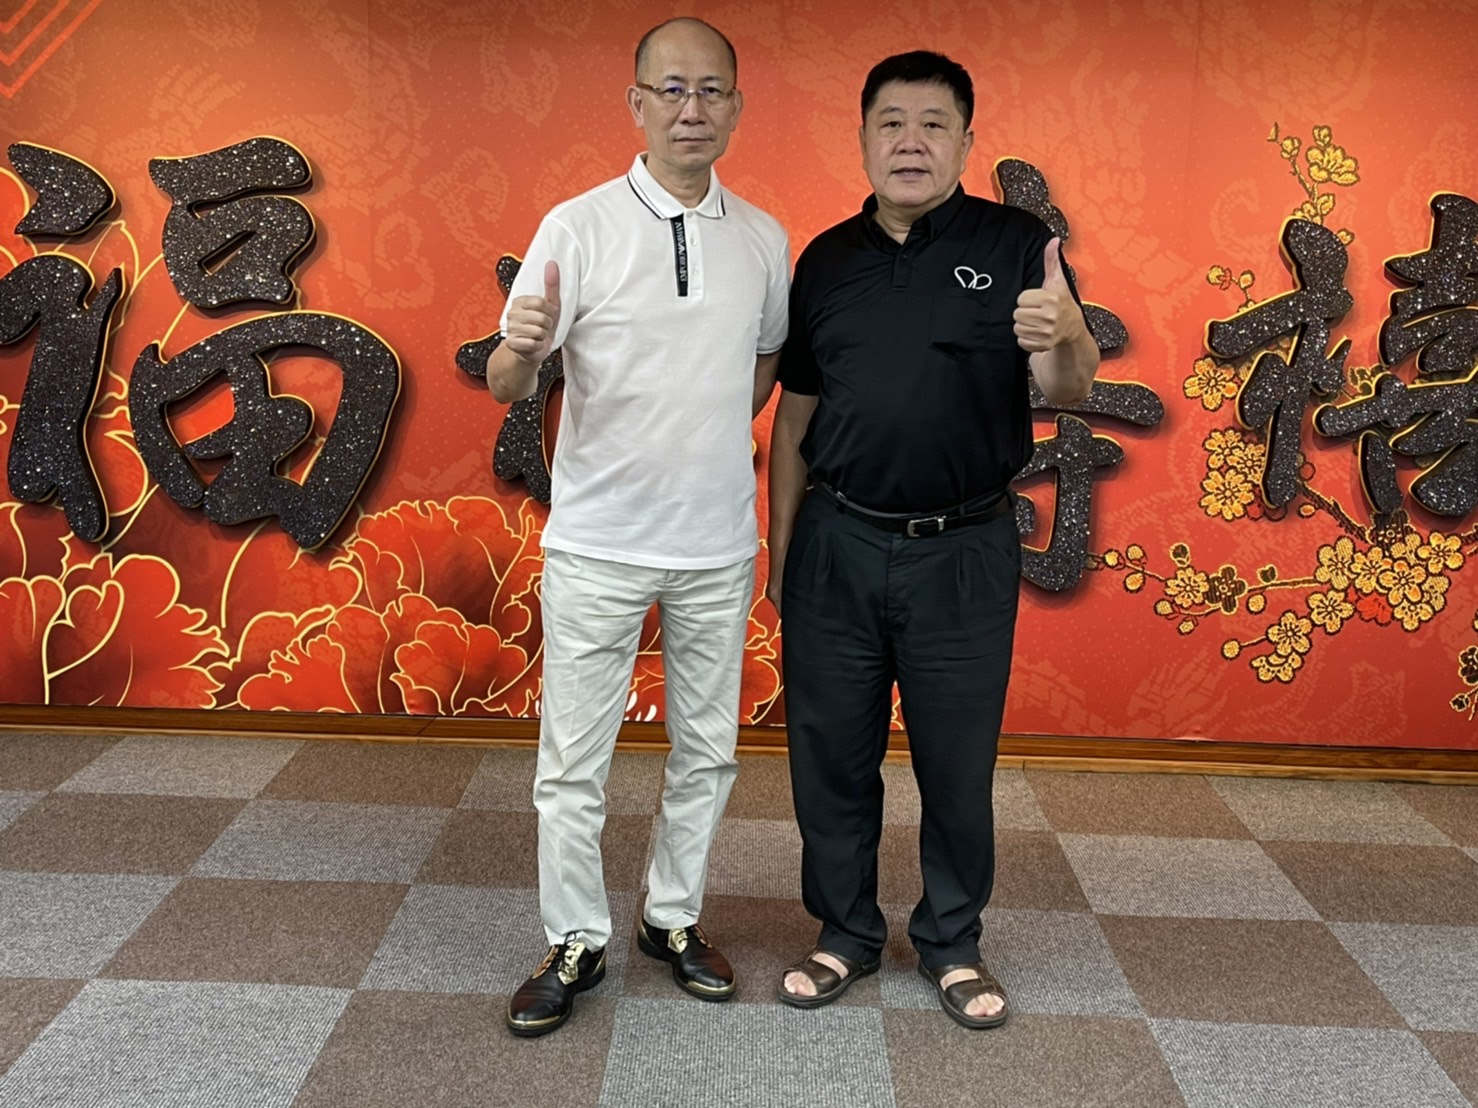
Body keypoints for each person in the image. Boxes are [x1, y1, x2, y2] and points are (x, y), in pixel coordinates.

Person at [766, 50, 1097, 1030]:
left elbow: (1068, 386)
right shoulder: (825, 260)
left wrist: (1065, 331)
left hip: (962, 549)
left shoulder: (1017, 244)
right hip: (836, 539)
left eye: (932, 124)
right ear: (864, 138)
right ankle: (844, 932)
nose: (910, 142)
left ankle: (951, 941)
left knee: (956, 761)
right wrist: (781, 553)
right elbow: (793, 417)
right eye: (891, 123)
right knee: (829, 755)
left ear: (964, 140)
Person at [485, 17, 789, 1037]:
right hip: (598, 541)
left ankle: (670, 917)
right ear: (636, 104)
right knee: (574, 761)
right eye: (670, 90)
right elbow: (509, 377)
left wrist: (698, 434)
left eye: (710, 91)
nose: (690, 109)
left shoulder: (763, 238)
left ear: (735, 107)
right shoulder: (576, 226)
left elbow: (762, 364)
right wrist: (522, 349)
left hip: (716, 542)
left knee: (707, 749)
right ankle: (575, 937)